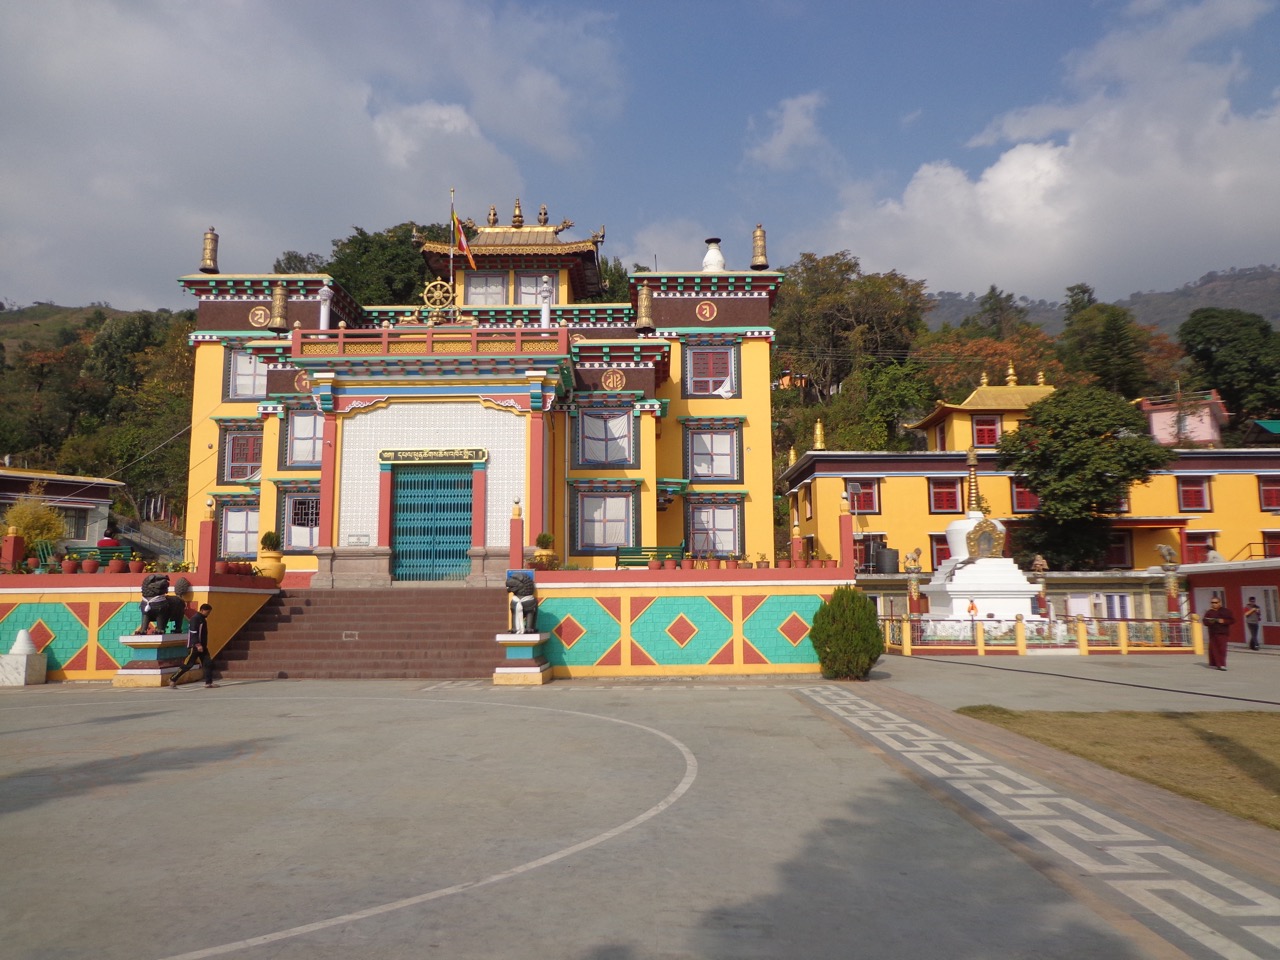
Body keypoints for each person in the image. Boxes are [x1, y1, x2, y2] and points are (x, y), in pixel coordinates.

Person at [169, 603, 216, 688]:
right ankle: (173, 679)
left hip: (203, 647)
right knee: (188, 665)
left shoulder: (202, 619)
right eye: (208, 612)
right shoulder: (195, 619)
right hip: (194, 647)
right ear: (202, 610)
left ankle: (208, 682)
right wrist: (198, 645)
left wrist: (203, 646)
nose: (208, 614)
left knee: (208, 663)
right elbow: (193, 632)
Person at [1202, 596, 1235, 671]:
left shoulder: (1226, 611)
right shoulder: (1209, 612)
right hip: (1213, 633)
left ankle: (1222, 664)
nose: (1214, 604)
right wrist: (1210, 622)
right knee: (1214, 649)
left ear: (1220, 603)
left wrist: (1223, 621)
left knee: (1222, 649)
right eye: (1212, 603)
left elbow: (1232, 620)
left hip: (1223, 633)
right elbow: (1205, 621)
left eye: (1215, 602)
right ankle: (1217, 664)